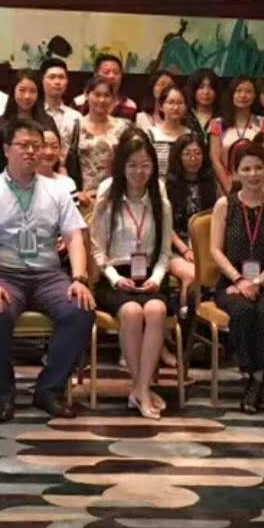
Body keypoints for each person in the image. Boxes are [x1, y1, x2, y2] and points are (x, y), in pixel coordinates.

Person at [0, 117, 97, 420]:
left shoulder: (57, 190)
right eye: (23, 145)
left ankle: (49, 390)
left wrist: (79, 278)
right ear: (6, 149)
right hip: (3, 274)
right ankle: (2, 393)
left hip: (48, 275)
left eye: (37, 146)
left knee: (80, 309)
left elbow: (74, 236)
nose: (31, 151)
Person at [90, 133, 175, 418]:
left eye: (146, 165)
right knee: (131, 312)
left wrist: (157, 278)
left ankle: (140, 389)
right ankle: (142, 389)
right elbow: (96, 248)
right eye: (133, 165)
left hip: (149, 275)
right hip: (114, 275)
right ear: (122, 166)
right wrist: (115, 277)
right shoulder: (108, 194)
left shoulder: (160, 198)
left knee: (156, 309)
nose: (140, 172)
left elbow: (165, 252)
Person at [208, 142, 264, 413]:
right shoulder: (225, 205)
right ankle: (254, 375)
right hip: (233, 281)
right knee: (243, 310)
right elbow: (215, 250)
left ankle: (257, 379)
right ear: (235, 172)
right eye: (246, 169)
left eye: (258, 167)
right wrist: (239, 280)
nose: (253, 174)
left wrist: (257, 282)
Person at [165, 132, 215, 311]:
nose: (193, 159)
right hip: (175, 248)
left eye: (197, 153)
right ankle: (188, 322)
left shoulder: (211, 184)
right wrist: (185, 249)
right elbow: (165, 225)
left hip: (206, 246)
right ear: (178, 157)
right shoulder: (167, 186)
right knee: (193, 276)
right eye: (187, 154)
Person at [65, 77, 132, 207]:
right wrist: (75, 193)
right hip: (84, 199)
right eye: (97, 94)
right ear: (86, 95)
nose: (101, 100)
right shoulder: (74, 127)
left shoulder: (123, 128)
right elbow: (62, 165)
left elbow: (130, 162)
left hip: (116, 197)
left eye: (106, 95)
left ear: (113, 99)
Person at [209, 75, 264, 193]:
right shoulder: (217, 123)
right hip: (226, 185)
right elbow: (215, 159)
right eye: (238, 91)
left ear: (255, 96)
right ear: (232, 94)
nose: (243, 95)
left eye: (248, 91)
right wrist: (228, 188)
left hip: (256, 184)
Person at [0, 69, 52, 175]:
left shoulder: (47, 122)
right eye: (22, 90)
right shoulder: (0, 124)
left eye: (32, 91)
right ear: (13, 91)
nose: (27, 96)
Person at [146, 84, 194, 175]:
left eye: (180, 103)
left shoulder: (191, 135)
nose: (176, 107)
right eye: (171, 102)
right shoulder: (151, 134)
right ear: (161, 106)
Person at [74, 53, 138, 121]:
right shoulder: (79, 103)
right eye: (106, 72)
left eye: (116, 72)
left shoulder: (130, 106)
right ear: (96, 75)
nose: (112, 76)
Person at [40, 58, 79, 157]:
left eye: (61, 77)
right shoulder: (34, 113)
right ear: (42, 80)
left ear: (67, 81)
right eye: (52, 77)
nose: (57, 82)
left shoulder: (76, 117)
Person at [186, 69, 220, 142]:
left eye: (211, 87)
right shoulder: (185, 116)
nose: (206, 92)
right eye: (201, 87)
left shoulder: (222, 117)